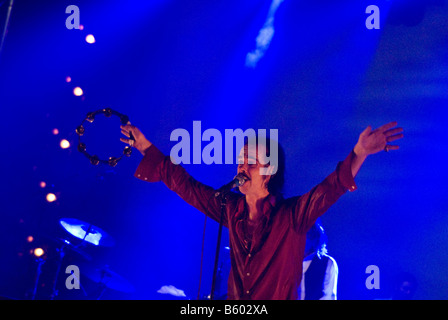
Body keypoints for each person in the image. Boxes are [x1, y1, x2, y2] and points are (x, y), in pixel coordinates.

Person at [120, 121, 403, 300]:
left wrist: (359, 153)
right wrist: (146, 147)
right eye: (240, 162)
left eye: (249, 163)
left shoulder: (292, 215)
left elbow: (331, 187)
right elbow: (187, 186)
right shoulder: (229, 208)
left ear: (268, 171)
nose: (241, 168)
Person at [298, 220, 338, 300]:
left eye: (304, 237)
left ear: (314, 239)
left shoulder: (327, 263)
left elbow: (328, 296)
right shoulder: (287, 262)